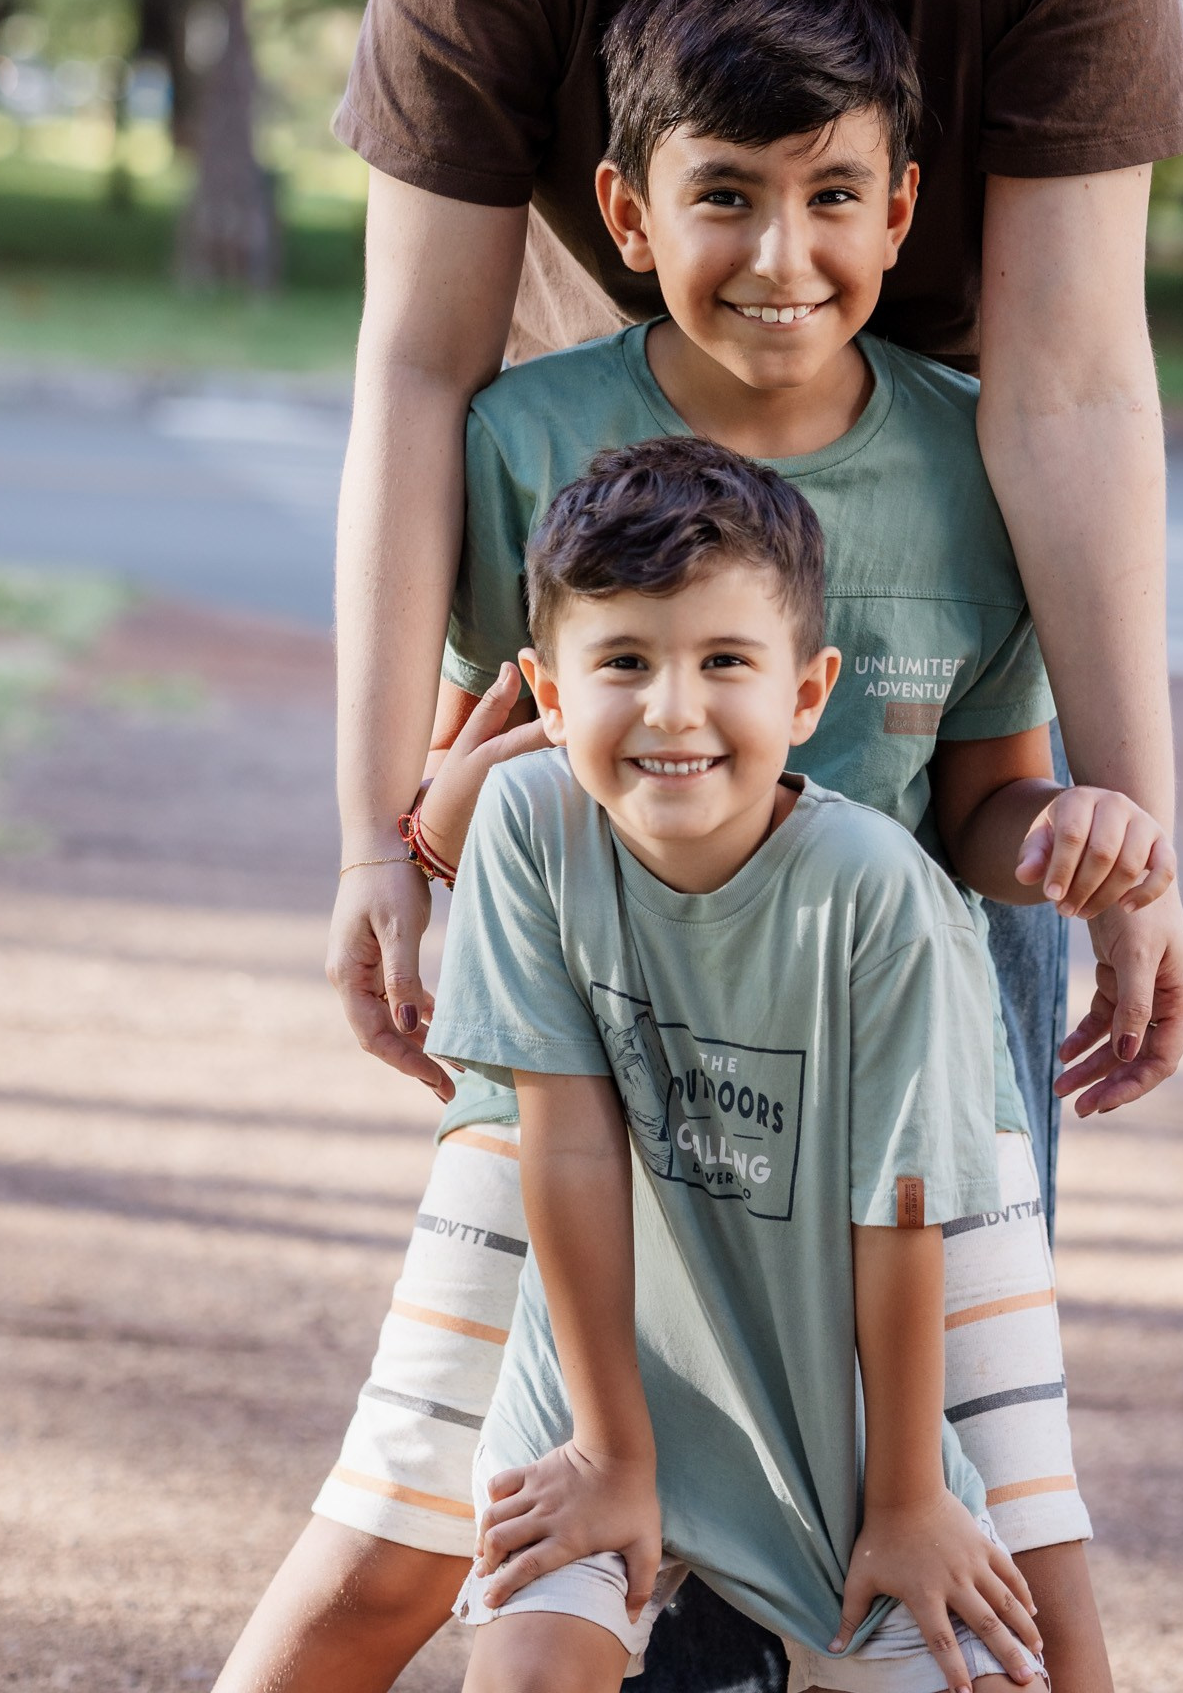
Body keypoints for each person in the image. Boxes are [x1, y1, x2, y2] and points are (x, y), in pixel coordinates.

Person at [325, 0, 1183, 1198]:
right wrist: (370, 843)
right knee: (583, 1295)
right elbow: (412, 364)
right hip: (618, 581)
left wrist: (1130, 826)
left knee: (928, 1277)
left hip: (908, 561)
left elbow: (1067, 378)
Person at [215, 0, 1175, 1693]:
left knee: (1025, 1604)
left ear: (900, 212)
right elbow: (475, 775)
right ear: (628, 212)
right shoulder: (526, 443)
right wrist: (417, 835)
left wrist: (1065, 837)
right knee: (387, 1563)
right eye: (722, 194)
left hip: (876, 1087)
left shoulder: (975, 467)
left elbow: (975, 799)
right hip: (582, 1075)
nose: (781, 252)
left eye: (829, 197)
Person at [427, 437, 1077, 1693]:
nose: (673, 707)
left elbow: (896, 1209)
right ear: (549, 697)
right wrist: (613, 1449)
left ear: (808, 691)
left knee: (989, 1652)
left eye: (725, 659)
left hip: (838, 1418)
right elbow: (562, 1138)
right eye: (623, 660)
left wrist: (901, 1498)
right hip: (607, 1387)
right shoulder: (529, 820)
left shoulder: (876, 893)